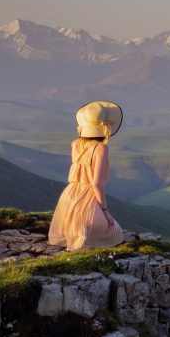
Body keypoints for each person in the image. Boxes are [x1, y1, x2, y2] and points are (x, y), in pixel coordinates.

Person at [49, 100, 125, 250]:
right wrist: (105, 212)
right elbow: (96, 183)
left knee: (74, 230)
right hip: (87, 197)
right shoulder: (101, 149)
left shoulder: (75, 144)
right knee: (115, 233)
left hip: (69, 196)